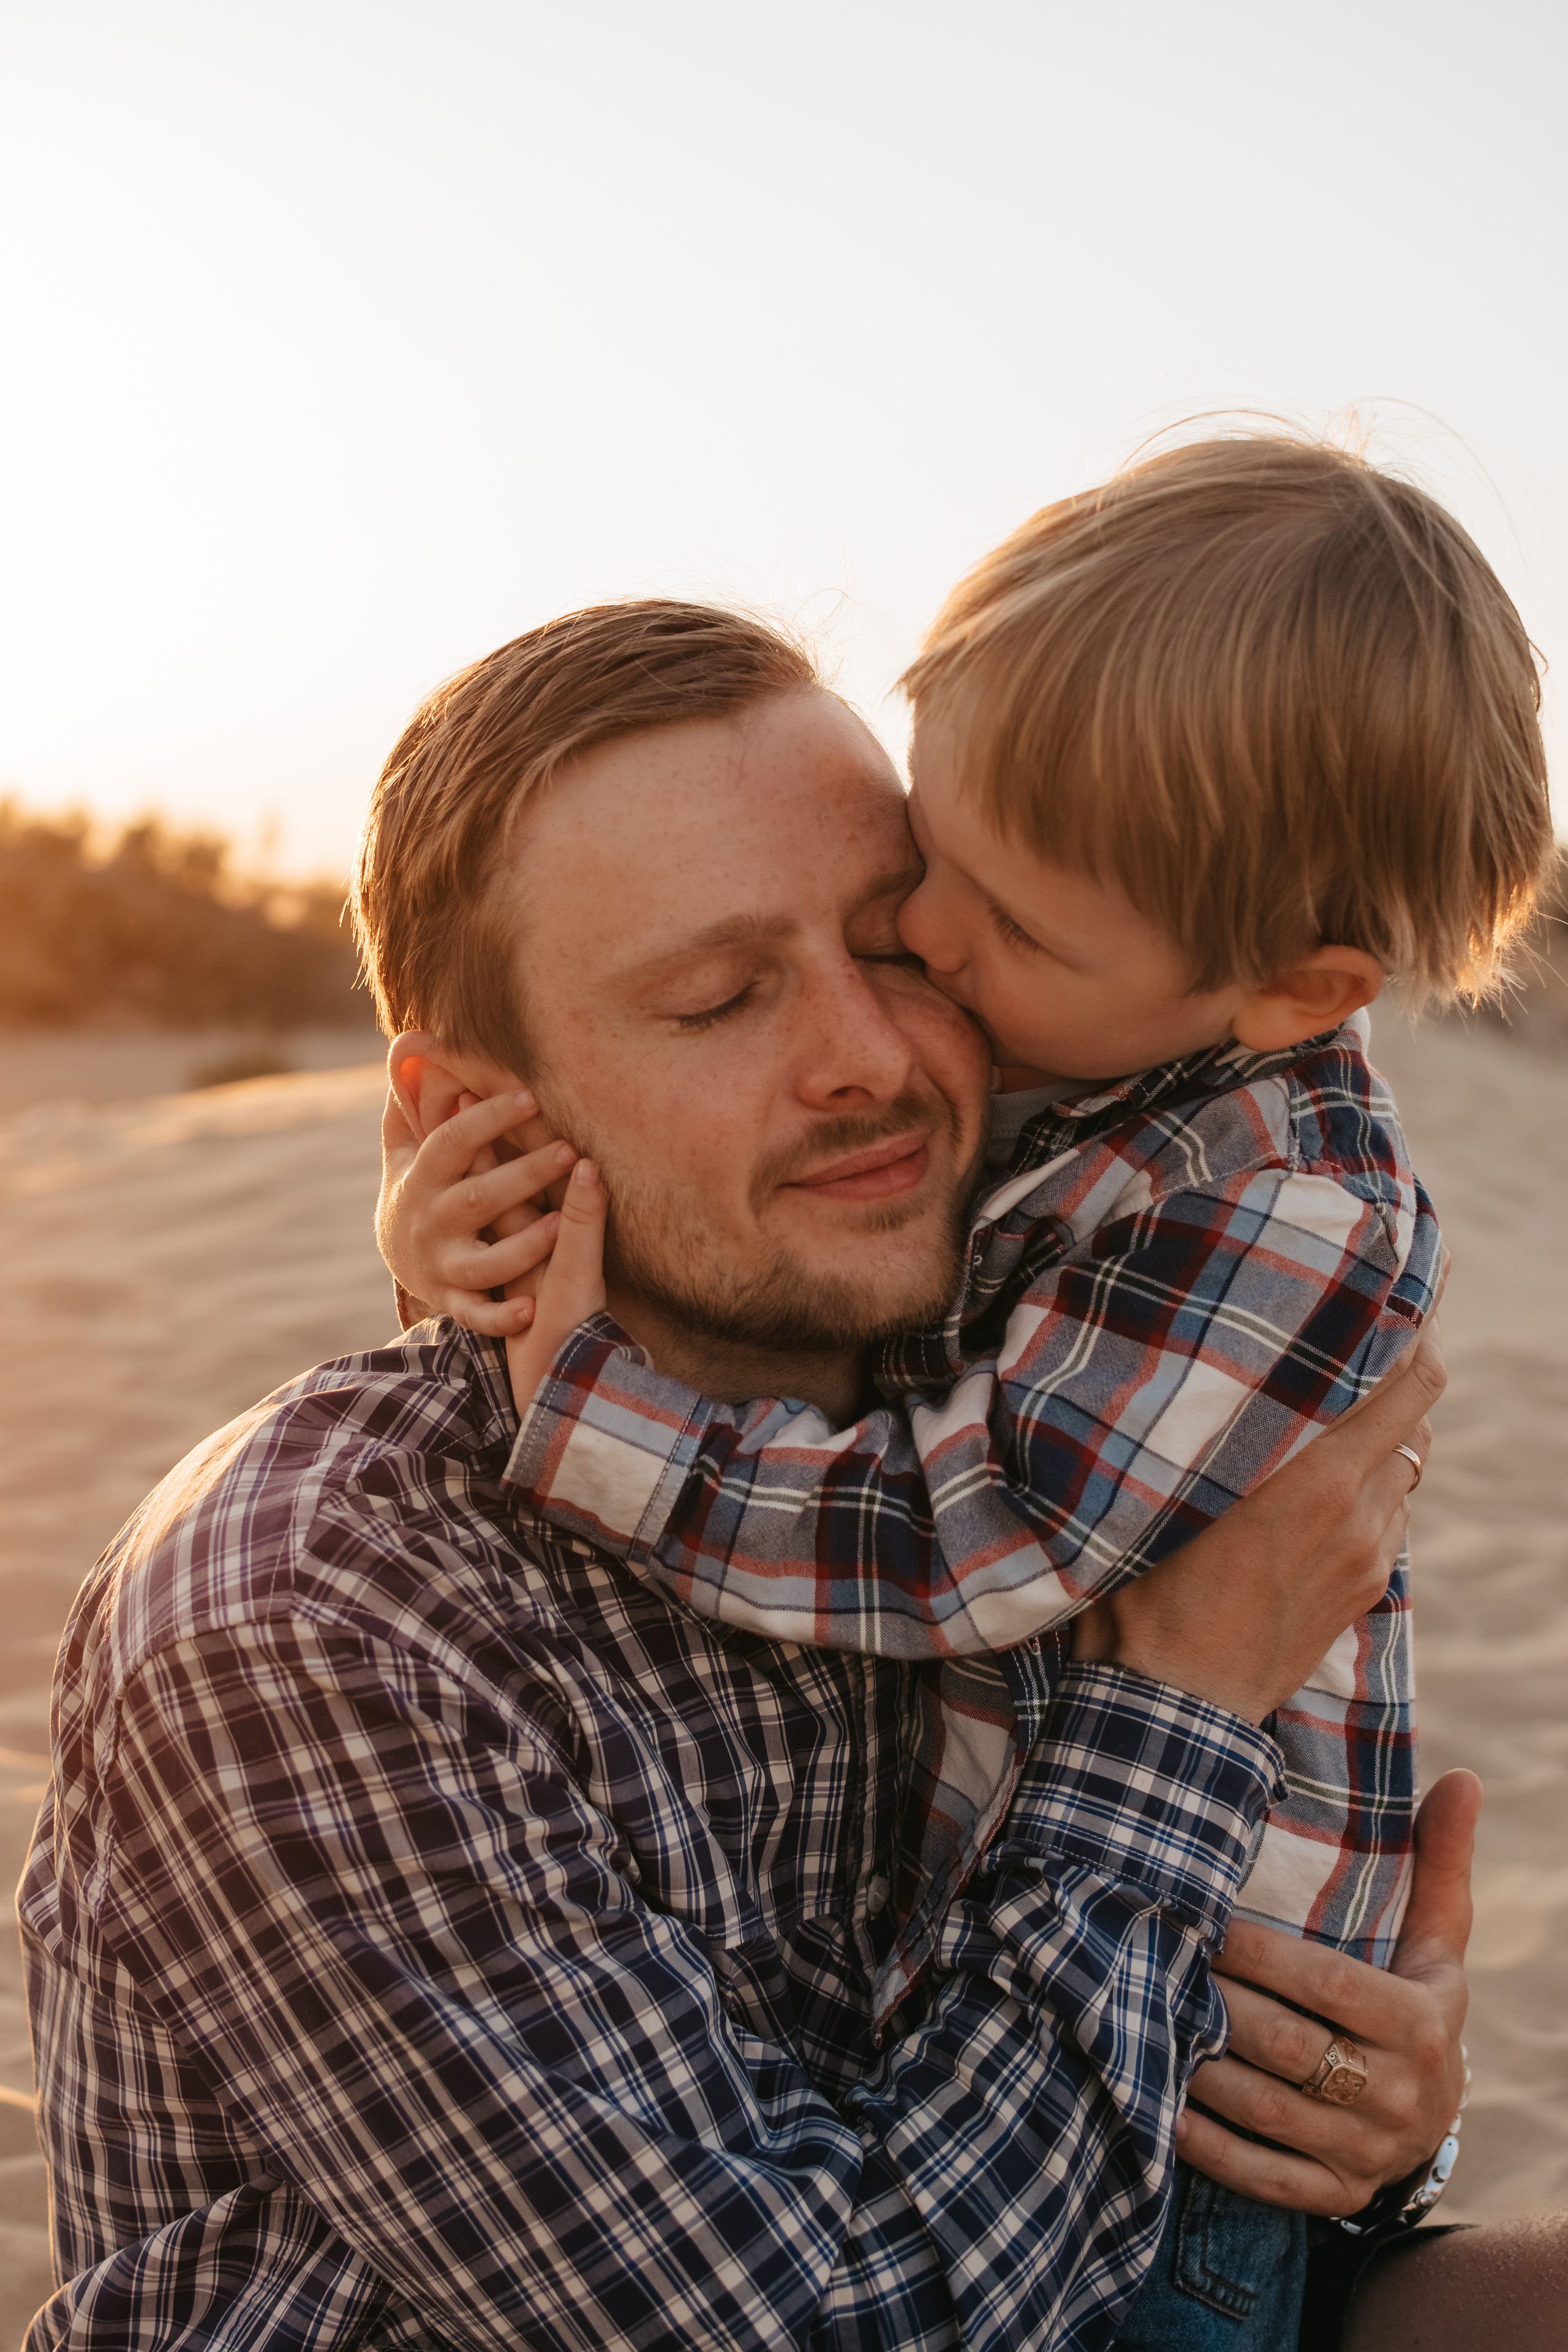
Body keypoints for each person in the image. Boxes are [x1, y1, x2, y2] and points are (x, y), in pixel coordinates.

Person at [24, 600, 1462, 2352]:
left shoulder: (1014, 1374)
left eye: (913, 946)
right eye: (717, 999)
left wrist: (1339, 2105)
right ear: (469, 1113)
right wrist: (1177, 1716)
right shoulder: (315, 1619)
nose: (872, 1054)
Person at [381, 444, 1553, 2339]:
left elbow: (951, 1530)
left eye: (964, 931)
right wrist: (468, 1240)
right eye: (928, 862)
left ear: (1290, 987)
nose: (923, 970)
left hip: (1183, 2109)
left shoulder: (1280, 1208)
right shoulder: (1122, 1031)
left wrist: (587, 1414)